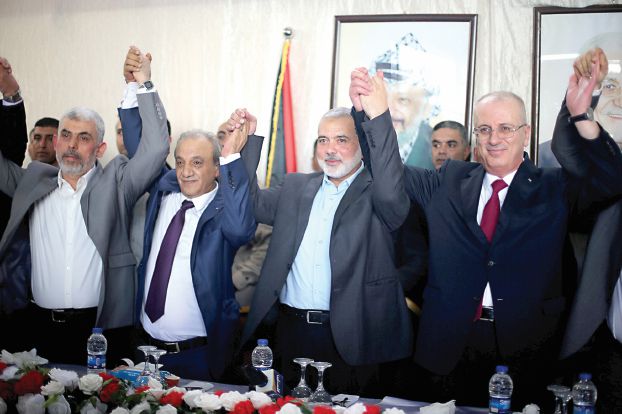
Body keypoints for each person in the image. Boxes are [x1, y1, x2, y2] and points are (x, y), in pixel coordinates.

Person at [350, 50, 622, 407]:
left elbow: (610, 181)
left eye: (506, 128)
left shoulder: (554, 187)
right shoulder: (447, 179)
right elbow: (390, 178)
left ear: (526, 133)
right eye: (484, 129)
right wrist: (375, 115)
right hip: (447, 351)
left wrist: (580, 114)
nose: (494, 139)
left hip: (528, 352)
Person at [235, 72, 412, 397]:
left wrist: (376, 113)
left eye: (341, 140)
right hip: (291, 333)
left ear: (362, 145)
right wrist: (246, 146)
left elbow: (389, 183)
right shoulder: (295, 187)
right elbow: (249, 204)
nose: (330, 149)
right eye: (322, 140)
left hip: (351, 338)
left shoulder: (378, 193)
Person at [0, 46, 170, 366]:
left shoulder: (118, 183)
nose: (72, 145)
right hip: (38, 327)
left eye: (83, 137)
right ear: (56, 143)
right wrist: (10, 95)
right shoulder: (33, 180)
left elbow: (156, 148)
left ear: (100, 148)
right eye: (66, 135)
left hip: (101, 328)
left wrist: (141, 85)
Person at [557, 48, 622, 412]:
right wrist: (581, 112)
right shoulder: (611, 182)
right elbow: (586, 166)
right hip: (611, 356)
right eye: (611, 85)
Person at [370, 32, 440, 169]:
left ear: (427, 108)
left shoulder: (440, 155)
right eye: (383, 98)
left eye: (402, 100)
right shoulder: (357, 144)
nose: (388, 110)